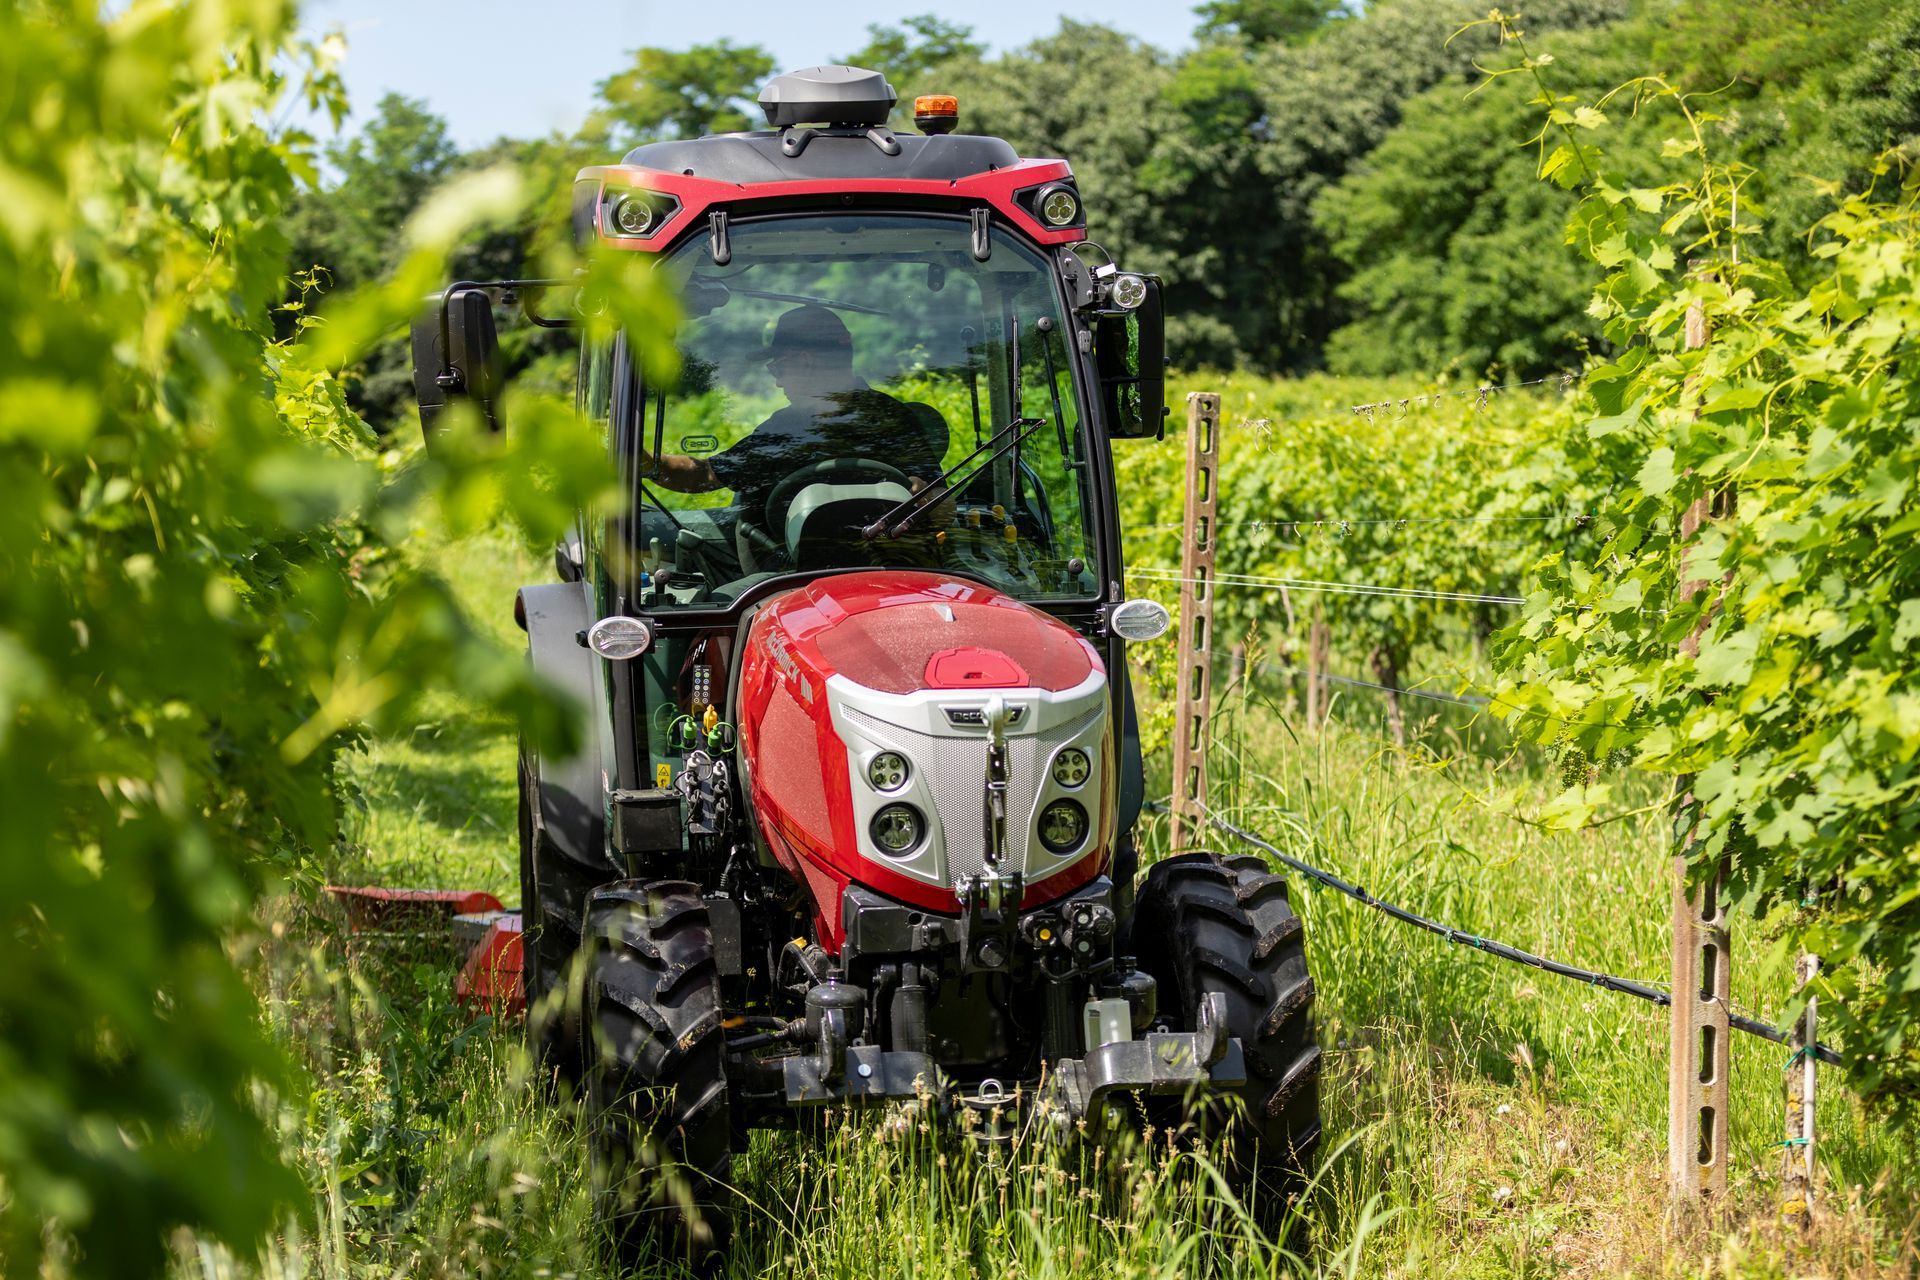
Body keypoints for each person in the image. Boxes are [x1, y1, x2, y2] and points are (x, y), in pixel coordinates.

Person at [639, 304, 948, 534]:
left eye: (778, 369)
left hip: (795, 581)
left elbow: (702, 478)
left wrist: (643, 462)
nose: (777, 382)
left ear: (805, 361)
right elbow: (708, 475)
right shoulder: (894, 419)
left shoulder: (787, 429)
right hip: (891, 582)